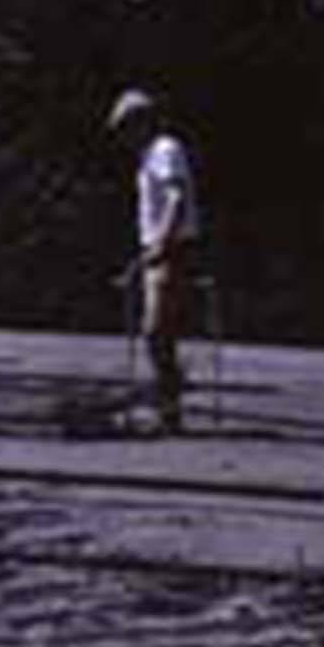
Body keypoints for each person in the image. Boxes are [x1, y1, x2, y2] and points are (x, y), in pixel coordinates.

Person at [108, 88, 200, 430]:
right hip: (156, 247)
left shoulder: (165, 150)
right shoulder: (149, 155)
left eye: (126, 128)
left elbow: (177, 197)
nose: (124, 138)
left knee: (156, 330)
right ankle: (167, 404)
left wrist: (162, 240)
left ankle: (169, 406)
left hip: (171, 248)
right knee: (158, 332)